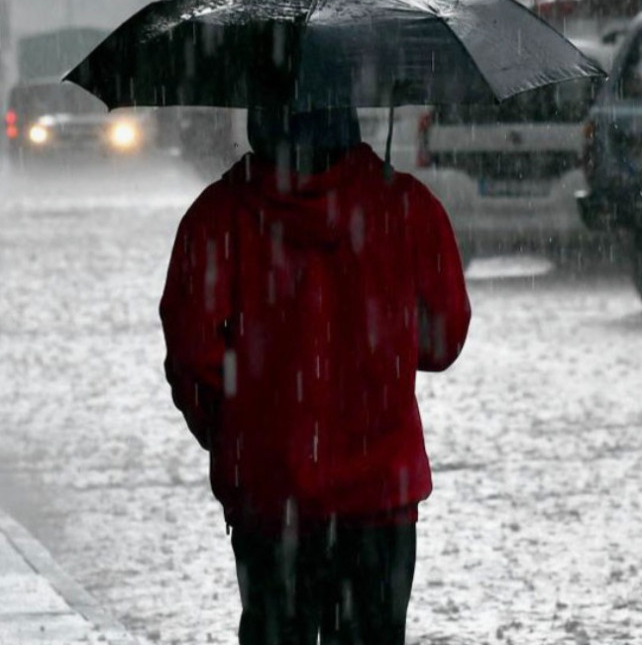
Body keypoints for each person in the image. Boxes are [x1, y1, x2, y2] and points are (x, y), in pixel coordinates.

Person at [159, 100, 470, 645]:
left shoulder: (219, 215)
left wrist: (237, 435)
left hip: (270, 499)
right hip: (379, 499)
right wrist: (381, 350)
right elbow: (443, 340)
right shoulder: (407, 206)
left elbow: (191, 352)